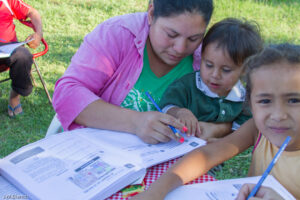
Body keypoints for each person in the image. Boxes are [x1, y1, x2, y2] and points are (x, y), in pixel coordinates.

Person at [132, 43, 300, 199]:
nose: (278, 115)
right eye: (265, 101)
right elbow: (207, 154)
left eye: (294, 100)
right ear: (250, 103)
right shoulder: (258, 129)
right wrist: (155, 192)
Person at [53, 0, 232, 144]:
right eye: (171, 34)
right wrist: (136, 122)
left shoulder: (206, 58)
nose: (180, 48)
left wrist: (213, 129)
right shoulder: (117, 35)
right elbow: (67, 94)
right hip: (96, 150)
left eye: (194, 38)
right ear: (151, 13)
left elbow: (235, 109)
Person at [159, 18, 263, 140]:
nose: (215, 75)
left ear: (245, 69)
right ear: (201, 56)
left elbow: (242, 130)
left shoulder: (244, 99)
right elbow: (166, 106)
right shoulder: (187, 86)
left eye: (226, 70)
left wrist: (220, 139)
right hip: (177, 148)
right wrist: (179, 112)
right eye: (208, 65)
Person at [0, 0, 43, 117]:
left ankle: (14, 97)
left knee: (23, 55)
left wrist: (38, 34)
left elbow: (33, 12)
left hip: (8, 48)